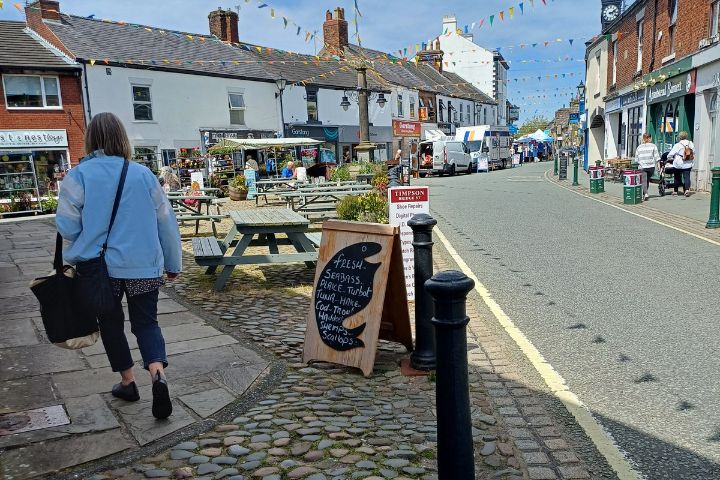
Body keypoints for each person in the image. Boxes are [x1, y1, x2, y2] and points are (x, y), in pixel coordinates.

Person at [56, 112, 181, 420]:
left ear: (91, 140)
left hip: (100, 270)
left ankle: (128, 382)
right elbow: (166, 222)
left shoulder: (78, 176)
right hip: (143, 266)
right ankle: (157, 375)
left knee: (111, 325)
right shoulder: (143, 175)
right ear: (122, 139)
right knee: (147, 324)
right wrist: (172, 262)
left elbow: (68, 227)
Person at [668, 131, 695, 197]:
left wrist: (669, 158)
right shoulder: (690, 143)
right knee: (687, 177)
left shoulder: (677, 145)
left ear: (680, 137)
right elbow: (693, 152)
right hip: (688, 163)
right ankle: (687, 190)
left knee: (677, 177)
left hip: (679, 164)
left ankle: (675, 191)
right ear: (686, 136)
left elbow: (670, 154)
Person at [634, 133, 660, 200]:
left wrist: (640, 162)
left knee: (644, 180)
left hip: (642, 166)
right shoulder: (653, 146)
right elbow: (657, 157)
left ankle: (645, 193)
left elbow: (636, 159)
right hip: (651, 166)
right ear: (649, 138)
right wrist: (658, 166)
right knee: (647, 180)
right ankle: (645, 193)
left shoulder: (639, 147)